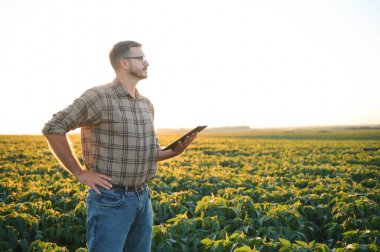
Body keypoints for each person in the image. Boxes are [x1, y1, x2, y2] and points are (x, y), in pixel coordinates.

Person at [42, 40, 197, 252]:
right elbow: (53, 127)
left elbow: (151, 152)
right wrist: (79, 172)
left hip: (143, 198)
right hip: (110, 201)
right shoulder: (99, 97)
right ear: (124, 63)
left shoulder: (146, 104)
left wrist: (174, 152)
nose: (147, 63)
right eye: (141, 58)